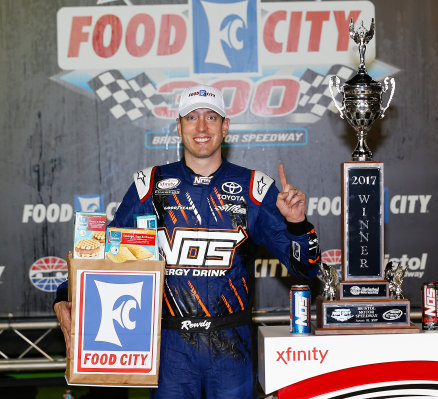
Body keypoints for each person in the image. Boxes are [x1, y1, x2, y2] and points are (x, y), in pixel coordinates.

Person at [54, 84, 321, 398]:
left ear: (225, 127)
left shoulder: (255, 189)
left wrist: (297, 223)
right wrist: (64, 294)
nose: (202, 127)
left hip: (231, 347)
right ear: (179, 127)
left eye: (211, 117)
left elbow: (306, 271)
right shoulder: (149, 185)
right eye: (192, 117)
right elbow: (104, 257)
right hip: (171, 350)